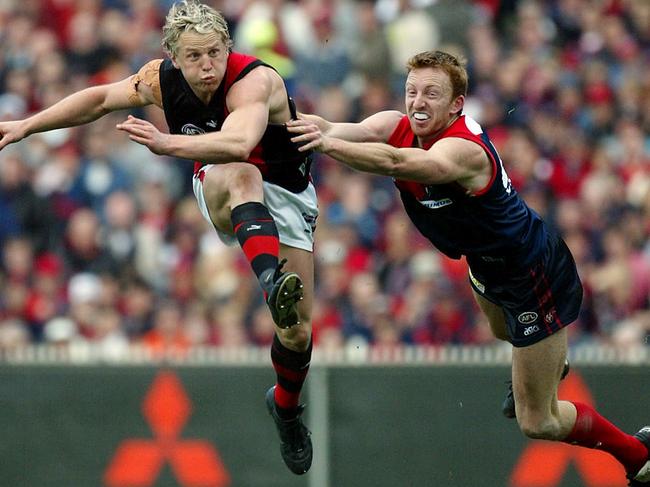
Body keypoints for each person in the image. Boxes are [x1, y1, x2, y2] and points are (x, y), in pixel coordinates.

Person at [287, 50, 650, 485]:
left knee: (538, 420)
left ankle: (637, 454)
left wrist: (326, 146)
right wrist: (279, 120)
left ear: (457, 103)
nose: (418, 102)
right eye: (412, 91)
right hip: (485, 263)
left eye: (432, 94)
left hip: (533, 274)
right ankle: (549, 361)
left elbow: (398, 163)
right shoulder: (397, 126)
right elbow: (333, 127)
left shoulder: (463, 150)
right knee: (501, 333)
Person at [0, 0, 314, 475]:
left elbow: (237, 140)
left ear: (228, 47)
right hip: (227, 181)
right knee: (242, 176)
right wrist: (28, 125)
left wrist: (168, 144)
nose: (207, 66)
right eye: (193, 57)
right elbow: (99, 99)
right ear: (172, 55)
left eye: (214, 53)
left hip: (288, 194)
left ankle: (286, 409)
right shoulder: (157, 79)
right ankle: (271, 281)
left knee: (297, 332)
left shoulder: (256, 80)